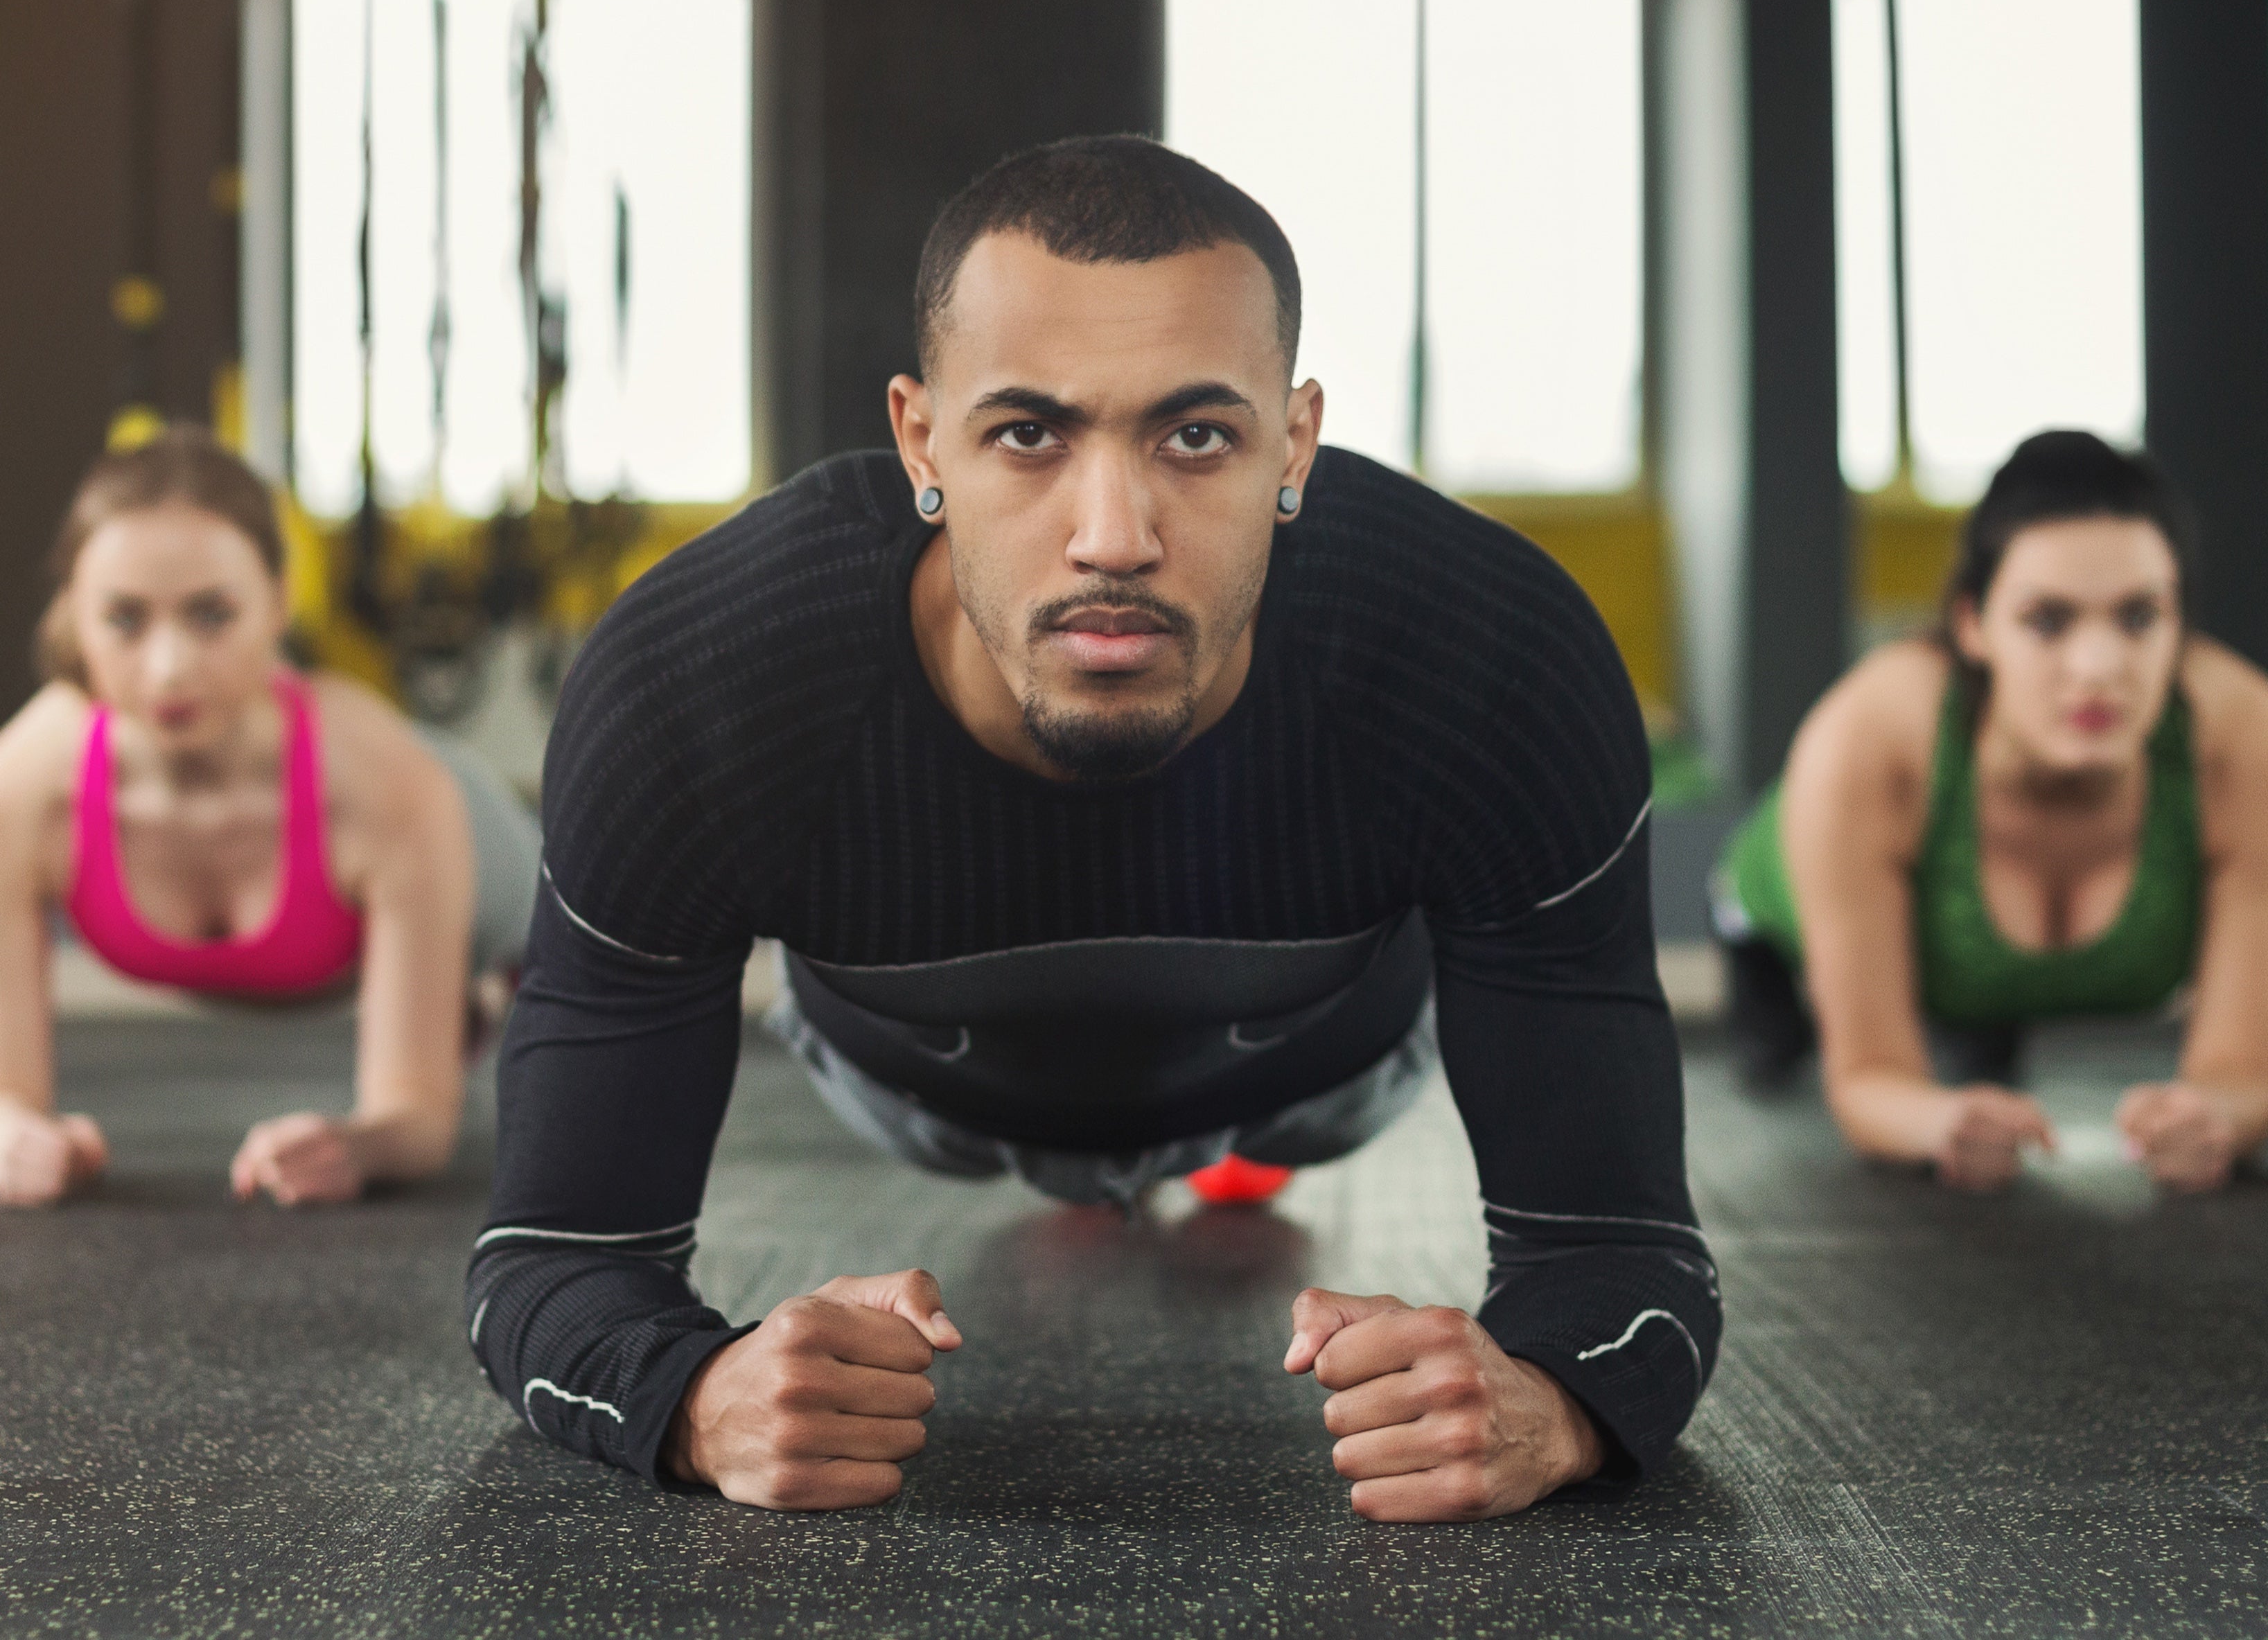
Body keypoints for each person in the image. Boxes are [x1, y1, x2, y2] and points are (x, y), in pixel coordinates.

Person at [470, 136, 1718, 1522]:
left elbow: (1623, 1253)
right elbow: (548, 1258)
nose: (1112, 534)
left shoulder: (1489, 655)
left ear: (1293, 445)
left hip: (1309, 1060)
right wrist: (697, 1399)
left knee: (1293, 1114)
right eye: (1027, 433)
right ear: (917, 439)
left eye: (1197, 435)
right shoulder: (696, 681)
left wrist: (1550, 1404)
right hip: (921, 1082)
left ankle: (1228, 1154)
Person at [0, 426, 540, 1208]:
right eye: (124, 619)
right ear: (74, 616)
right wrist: (17, 1141)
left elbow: (418, 1121)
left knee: (592, 1111)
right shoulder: (23, 785)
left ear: (279, 602)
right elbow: (7, 1101)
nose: (170, 667)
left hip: (496, 875)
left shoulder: (390, 786)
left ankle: (463, 990)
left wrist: (360, 1145)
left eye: (212, 614)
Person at [1716, 430, 2268, 1193]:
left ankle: (1982, 1024)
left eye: (2139, 617)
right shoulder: (1866, 738)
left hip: (1972, 970)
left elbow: (2241, 1075)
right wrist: (1934, 1122)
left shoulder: (2241, 740)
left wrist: (2213, 1116)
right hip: (1783, 909)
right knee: (1776, 1060)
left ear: (2180, 625)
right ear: (1972, 624)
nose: (2100, 667)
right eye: (2048, 620)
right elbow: (1872, 1078)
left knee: (1975, 1056)